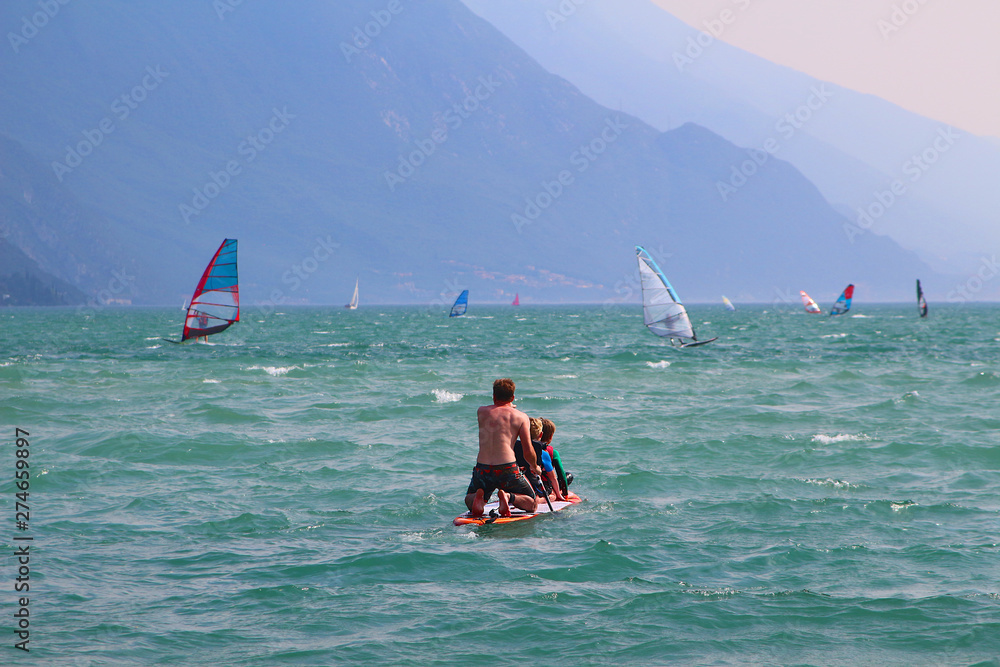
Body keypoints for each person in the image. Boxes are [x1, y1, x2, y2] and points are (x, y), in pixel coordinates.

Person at [465, 379, 540, 517]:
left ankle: (478, 499)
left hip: (483, 468)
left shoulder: (481, 412)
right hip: (507, 468)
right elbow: (527, 450)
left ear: (493, 396)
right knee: (533, 504)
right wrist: (535, 466)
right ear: (512, 397)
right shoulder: (521, 417)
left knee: (469, 497)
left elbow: (498, 412)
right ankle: (508, 497)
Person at [513, 418, 565, 502]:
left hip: (518, 484)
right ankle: (538, 500)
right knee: (553, 495)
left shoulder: (515, 448)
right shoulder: (543, 453)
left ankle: (510, 496)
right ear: (541, 435)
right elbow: (553, 477)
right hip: (535, 485)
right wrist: (558, 494)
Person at [540, 418, 574, 499]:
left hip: (532, 482)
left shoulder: (527, 449)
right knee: (568, 476)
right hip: (547, 485)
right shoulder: (552, 453)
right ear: (550, 436)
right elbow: (561, 474)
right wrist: (565, 494)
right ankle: (557, 492)